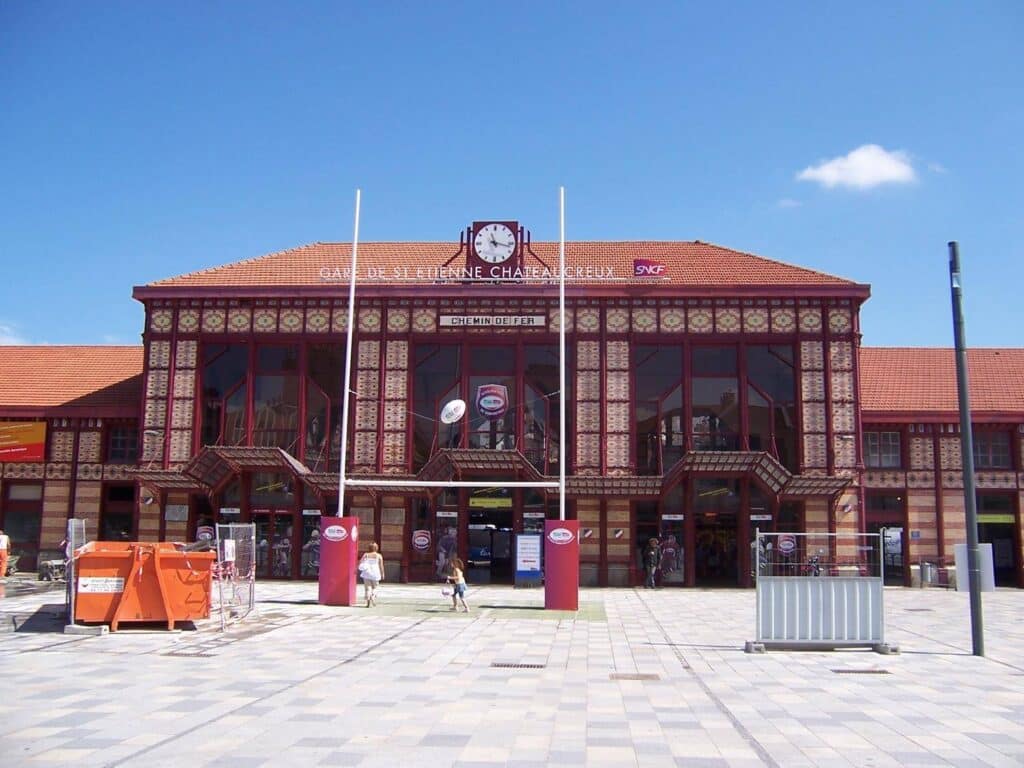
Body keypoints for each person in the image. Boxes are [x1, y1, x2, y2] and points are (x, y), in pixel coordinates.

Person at [358, 542, 384, 607]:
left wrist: (357, 569)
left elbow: (360, 562)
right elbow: (381, 566)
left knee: (367, 588)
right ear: (376, 548)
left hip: (366, 572)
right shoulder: (379, 555)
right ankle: (373, 596)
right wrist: (382, 573)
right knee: (375, 587)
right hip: (375, 572)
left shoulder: (365, 554)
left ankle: (368, 603)